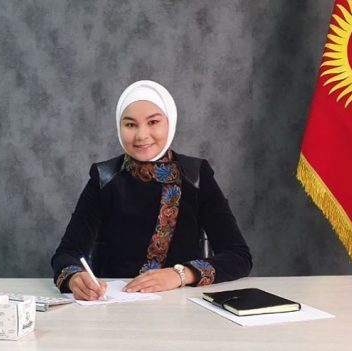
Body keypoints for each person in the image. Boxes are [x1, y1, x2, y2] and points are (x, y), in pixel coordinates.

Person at [51, 80, 252, 300]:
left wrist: (180, 274)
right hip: (115, 305)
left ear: (170, 123)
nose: (141, 135)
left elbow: (238, 256)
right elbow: (67, 254)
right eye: (130, 125)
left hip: (181, 304)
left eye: (153, 122)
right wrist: (74, 278)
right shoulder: (104, 178)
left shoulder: (195, 176)